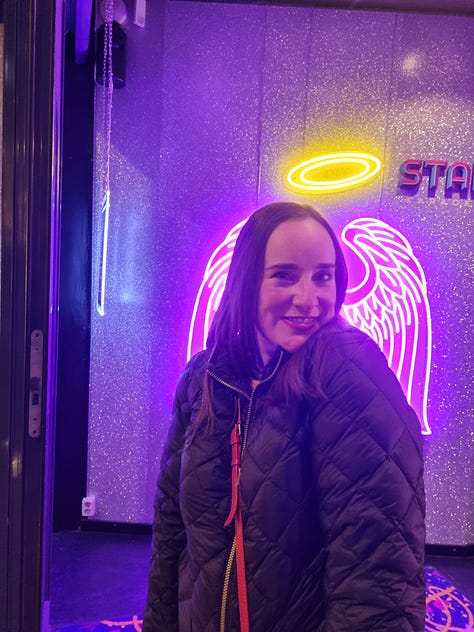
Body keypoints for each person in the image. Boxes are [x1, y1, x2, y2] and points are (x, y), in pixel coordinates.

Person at [143, 202, 426, 632]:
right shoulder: (203, 378)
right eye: (285, 275)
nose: (309, 299)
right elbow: (170, 540)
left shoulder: (348, 372)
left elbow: (378, 568)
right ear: (247, 281)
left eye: (323, 276)